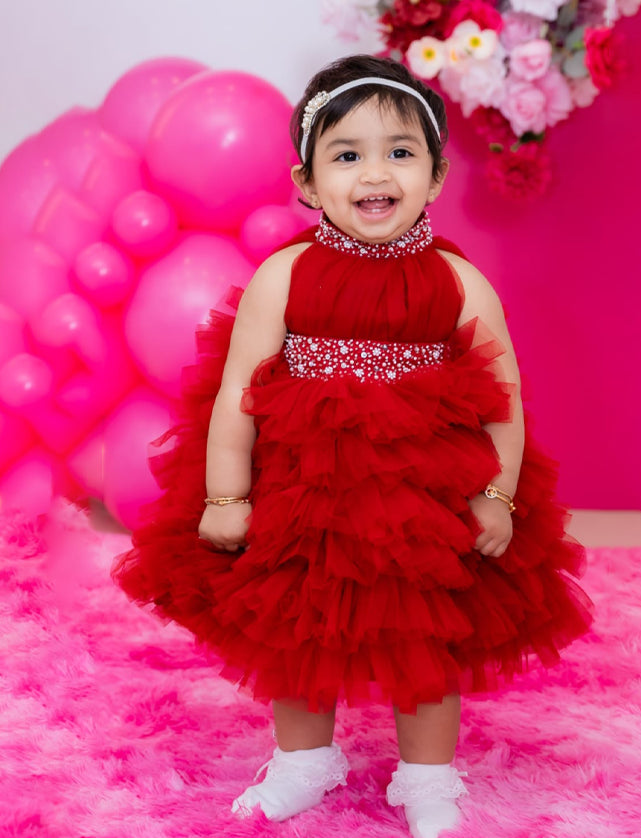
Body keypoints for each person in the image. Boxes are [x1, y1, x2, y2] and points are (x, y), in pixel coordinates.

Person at [113, 54, 593, 838]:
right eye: (347, 155)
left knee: (427, 639)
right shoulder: (285, 276)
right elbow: (236, 397)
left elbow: (502, 401)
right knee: (297, 630)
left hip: (426, 501)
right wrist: (228, 498)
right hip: (304, 493)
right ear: (306, 183)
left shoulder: (459, 284)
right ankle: (306, 760)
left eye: (400, 153)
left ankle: (427, 776)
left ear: (436, 177)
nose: (376, 173)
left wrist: (496, 494)